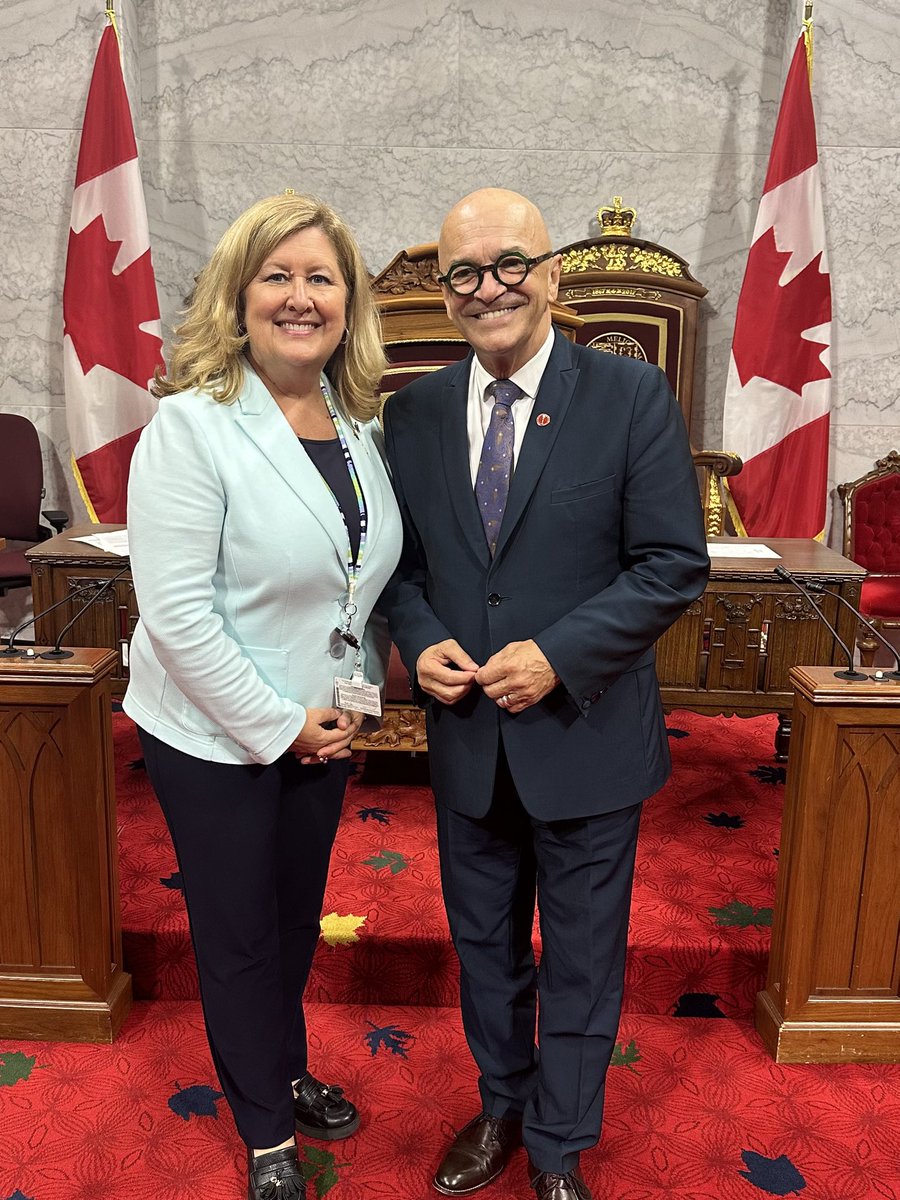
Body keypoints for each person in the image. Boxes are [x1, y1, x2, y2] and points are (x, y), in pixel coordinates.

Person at [378, 188, 710, 1200]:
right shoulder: (416, 411)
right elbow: (401, 568)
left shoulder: (630, 397)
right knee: (485, 951)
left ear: (552, 272)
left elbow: (669, 564)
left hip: (587, 731)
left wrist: (560, 654)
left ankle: (561, 1146)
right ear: (446, 293)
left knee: (581, 956)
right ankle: (501, 1107)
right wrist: (424, 639)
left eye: (510, 263)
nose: (490, 289)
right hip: (469, 735)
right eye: (466, 273)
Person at [123, 192, 402, 1200]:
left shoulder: (359, 422)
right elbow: (176, 615)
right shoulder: (191, 427)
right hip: (215, 732)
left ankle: (282, 1066)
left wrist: (344, 706)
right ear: (239, 299)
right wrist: (280, 725)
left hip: (324, 724)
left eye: (320, 277)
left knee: (292, 919)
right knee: (239, 929)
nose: (299, 297)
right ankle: (263, 1130)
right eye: (276, 276)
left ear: (348, 301)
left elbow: (353, 579)